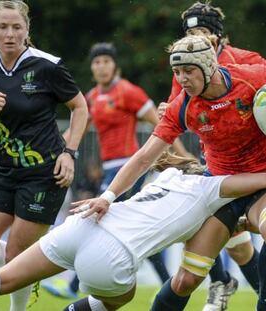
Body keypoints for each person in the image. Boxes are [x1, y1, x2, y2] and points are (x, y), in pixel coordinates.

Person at [79, 34, 266, 311]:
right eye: (176, 72)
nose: (182, 79)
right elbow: (144, 157)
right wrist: (107, 196)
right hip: (221, 189)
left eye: (188, 71)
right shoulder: (183, 105)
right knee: (186, 281)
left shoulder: (250, 78)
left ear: (208, 67)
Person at [0, 151, 266, 311]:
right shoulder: (210, 187)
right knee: (122, 296)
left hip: (82, 225)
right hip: (112, 252)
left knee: (4, 279)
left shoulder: (167, 176)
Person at [158, 3, 266, 309]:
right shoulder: (186, 65)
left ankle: (252, 293)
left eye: (202, 32)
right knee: (238, 249)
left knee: (257, 236)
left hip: (259, 168)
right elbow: (174, 116)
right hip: (218, 172)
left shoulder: (245, 63)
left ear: (219, 37)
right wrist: (183, 158)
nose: (196, 39)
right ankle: (233, 284)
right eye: (190, 33)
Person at [42, 42, 175, 299]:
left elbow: (165, 125)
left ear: (116, 66)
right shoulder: (90, 98)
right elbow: (75, 131)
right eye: (96, 62)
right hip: (108, 170)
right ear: (92, 68)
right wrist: (55, 153)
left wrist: (178, 153)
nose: (101, 66)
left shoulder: (128, 92)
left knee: (93, 218)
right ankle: (168, 284)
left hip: (129, 168)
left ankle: (71, 287)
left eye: (106, 61)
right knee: (128, 227)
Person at [0, 0, 88, 310]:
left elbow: (80, 107)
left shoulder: (47, 65)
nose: (10, 34)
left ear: (27, 30)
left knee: (15, 257)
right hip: (4, 170)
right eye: (2, 27)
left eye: (16, 27)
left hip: (45, 174)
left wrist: (69, 153)